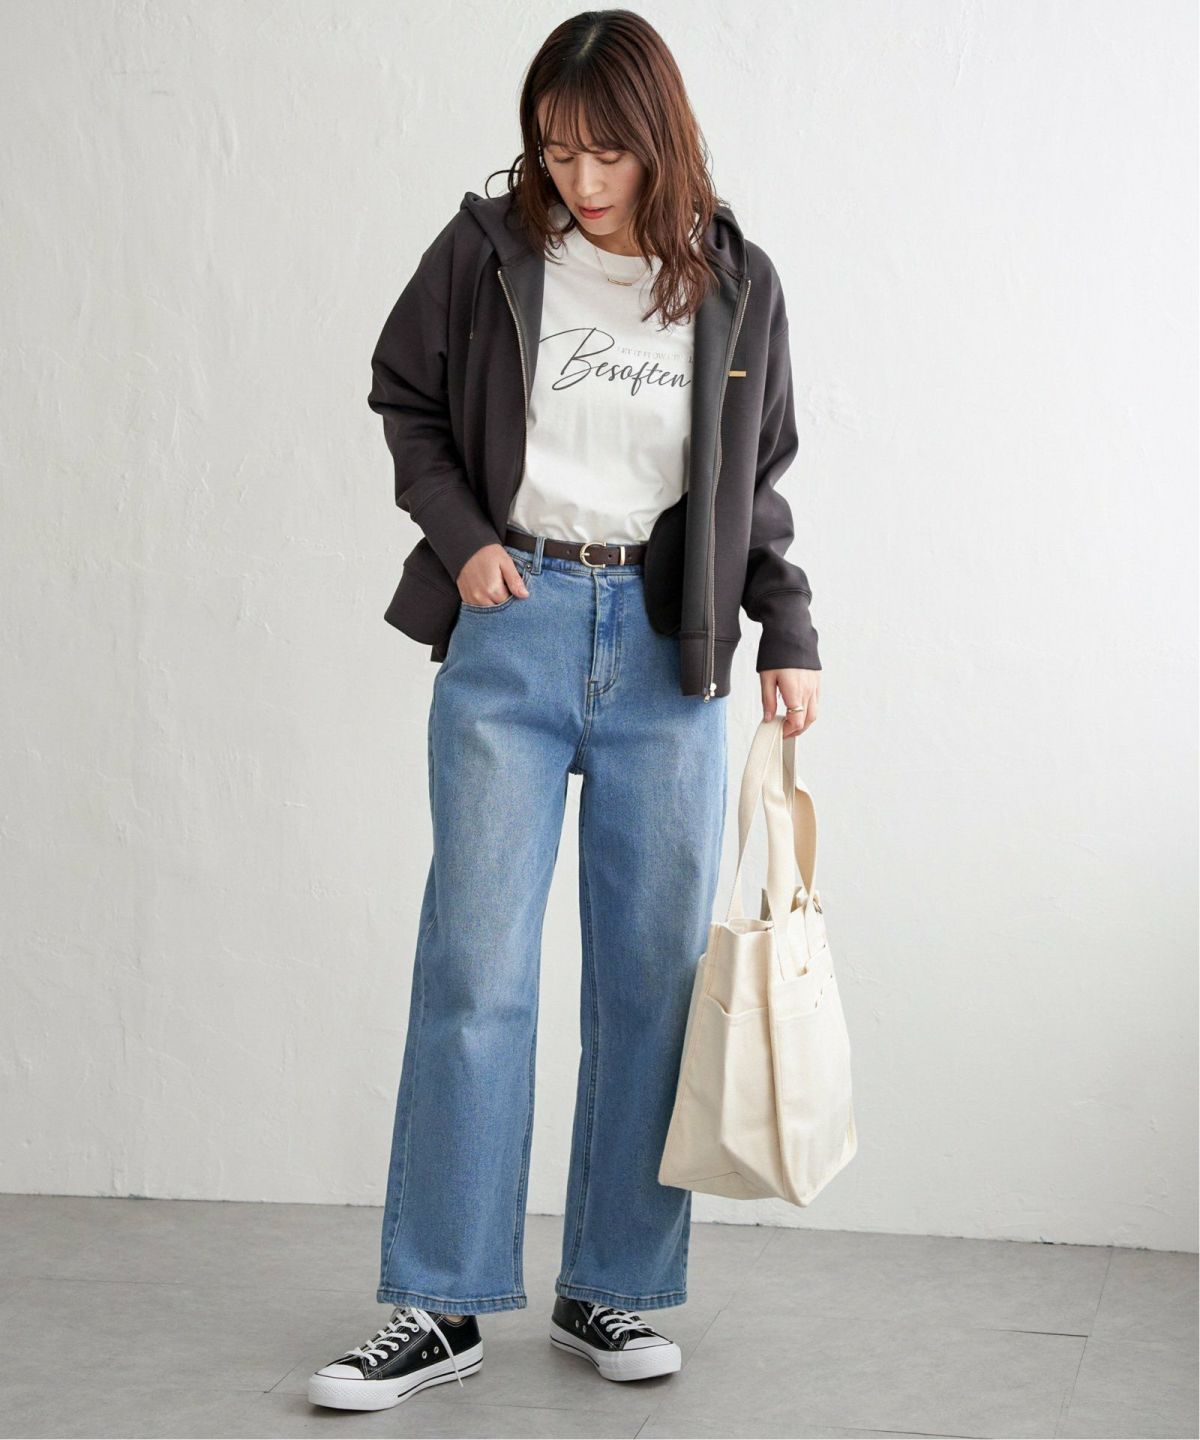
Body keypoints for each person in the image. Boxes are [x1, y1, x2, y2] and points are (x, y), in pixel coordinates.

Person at [308, 8, 821, 1413]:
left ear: (660, 142)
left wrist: (788, 629)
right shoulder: (486, 253)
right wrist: (466, 536)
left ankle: (612, 1285)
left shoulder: (735, 281)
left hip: (666, 651)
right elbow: (405, 400)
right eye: (555, 148)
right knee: (475, 971)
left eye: (606, 153)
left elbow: (756, 477)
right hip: (514, 628)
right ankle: (440, 1301)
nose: (580, 180)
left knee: (650, 982)